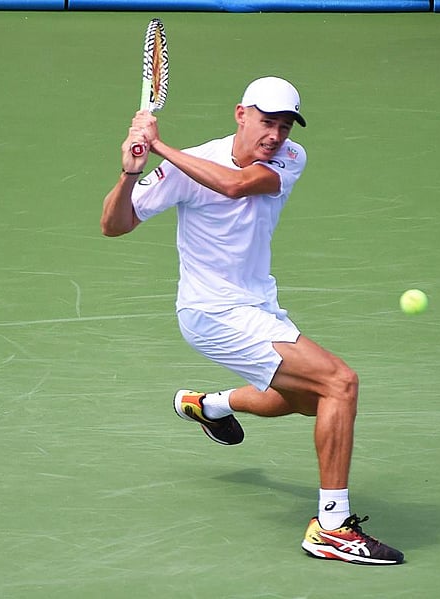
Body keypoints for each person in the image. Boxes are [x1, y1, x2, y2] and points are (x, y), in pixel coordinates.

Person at [100, 76, 404, 565]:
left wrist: (157, 144)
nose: (276, 135)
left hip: (259, 306)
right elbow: (113, 226)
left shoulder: (289, 158)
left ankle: (210, 405)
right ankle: (331, 526)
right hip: (212, 312)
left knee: (311, 400)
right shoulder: (186, 166)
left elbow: (237, 184)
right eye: (267, 122)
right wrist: (131, 174)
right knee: (340, 384)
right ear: (241, 114)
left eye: (285, 126)